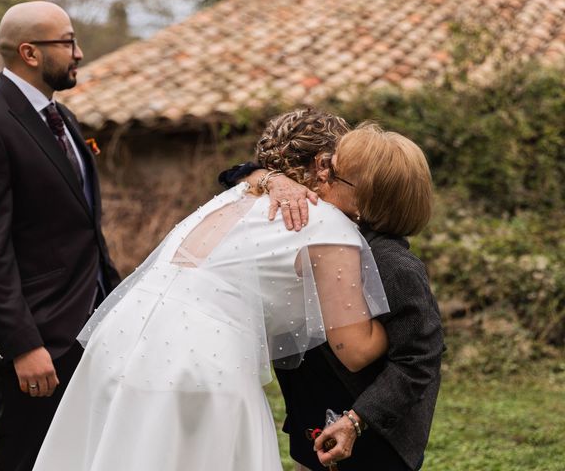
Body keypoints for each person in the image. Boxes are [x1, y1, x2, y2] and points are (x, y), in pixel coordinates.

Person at [31, 109, 391, 470]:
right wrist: (412, 330)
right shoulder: (325, 223)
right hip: (200, 366)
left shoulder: (237, 195)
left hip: (118, 342)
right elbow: (354, 349)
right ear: (323, 165)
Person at [0, 1, 120, 471]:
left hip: (89, 328)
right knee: (25, 460)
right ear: (30, 52)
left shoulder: (65, 121)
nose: (79, 53)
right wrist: (24, 345)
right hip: (38, 341)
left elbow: (83, 229)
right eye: (67, 42)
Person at [225, 121, 444, 470]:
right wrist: (274, 178)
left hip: (369, 440)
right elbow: (236, 176)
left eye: (334, 174)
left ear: (367, 197)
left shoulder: (395, 265)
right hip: (314, 420)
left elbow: (419, 361)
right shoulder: (324, 233)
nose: (320, 177)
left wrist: (356, 420)